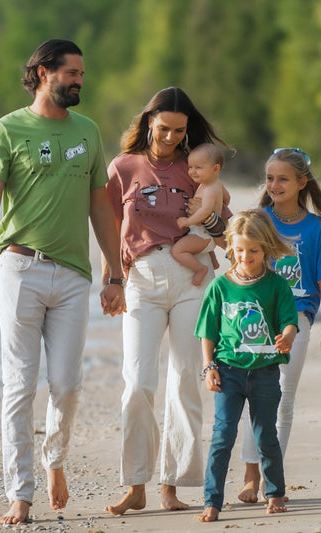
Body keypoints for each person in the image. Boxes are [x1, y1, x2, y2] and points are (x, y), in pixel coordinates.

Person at [0, 39, 125, 526]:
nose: (79, 80)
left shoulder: (88, 131)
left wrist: (114, 272)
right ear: (41, 72)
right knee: (19, 386)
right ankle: (20, 493)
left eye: (82, 74)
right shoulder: (7, 130)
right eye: (71, 73)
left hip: (74, 276)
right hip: (20, 268)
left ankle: (54, 462)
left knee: (67, 386)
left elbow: (101, 206)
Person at [103, 87, 232, 516]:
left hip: (192, 276)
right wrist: (112, 279)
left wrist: (208, 215)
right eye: (163, 129)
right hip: (140, 278)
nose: (171, 138)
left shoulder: (196, 169)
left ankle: (172, 485)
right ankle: (135, 484)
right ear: (148, 123)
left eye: (179, 131)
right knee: (138, 382)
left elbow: (225, 233)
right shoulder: (124, 167)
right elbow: (109, 227)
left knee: (184, 380)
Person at [236, 147, 321, 504]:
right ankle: (250, 477)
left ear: (302, 182)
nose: (274, 184)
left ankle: (272, 478)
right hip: (256, 315)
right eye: (269, 178)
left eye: (283, 178)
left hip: (296, 318)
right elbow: (237, 266)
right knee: (254, 394)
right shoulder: (257, 220)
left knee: (282, 397)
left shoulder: (317, 228)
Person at [195, 209, 299, 522]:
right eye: (239, 250)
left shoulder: (277, 286)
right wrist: (208, 367)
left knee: (266, 435)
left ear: (266, 248)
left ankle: (275, 492)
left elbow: (289, 322)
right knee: (222, 436)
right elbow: (207, 332)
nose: (246, 256)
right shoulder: (219, 287)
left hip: (266, 372)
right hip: (227, 371)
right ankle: (212, 501)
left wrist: (288, 337)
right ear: (230, 248)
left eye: (253, 250)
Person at [172, 143, 226, 286]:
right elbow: (227, 198)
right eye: (190, 167)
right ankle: (213, 259)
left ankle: (200, 269)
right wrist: (220, 202)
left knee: (177, 251)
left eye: (198, 168)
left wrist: (187, 221)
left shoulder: (209, 189)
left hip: (202, 234)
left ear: (216, 169)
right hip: (208, 234)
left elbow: (205, 211)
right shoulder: (217, 183)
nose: (192, 172)